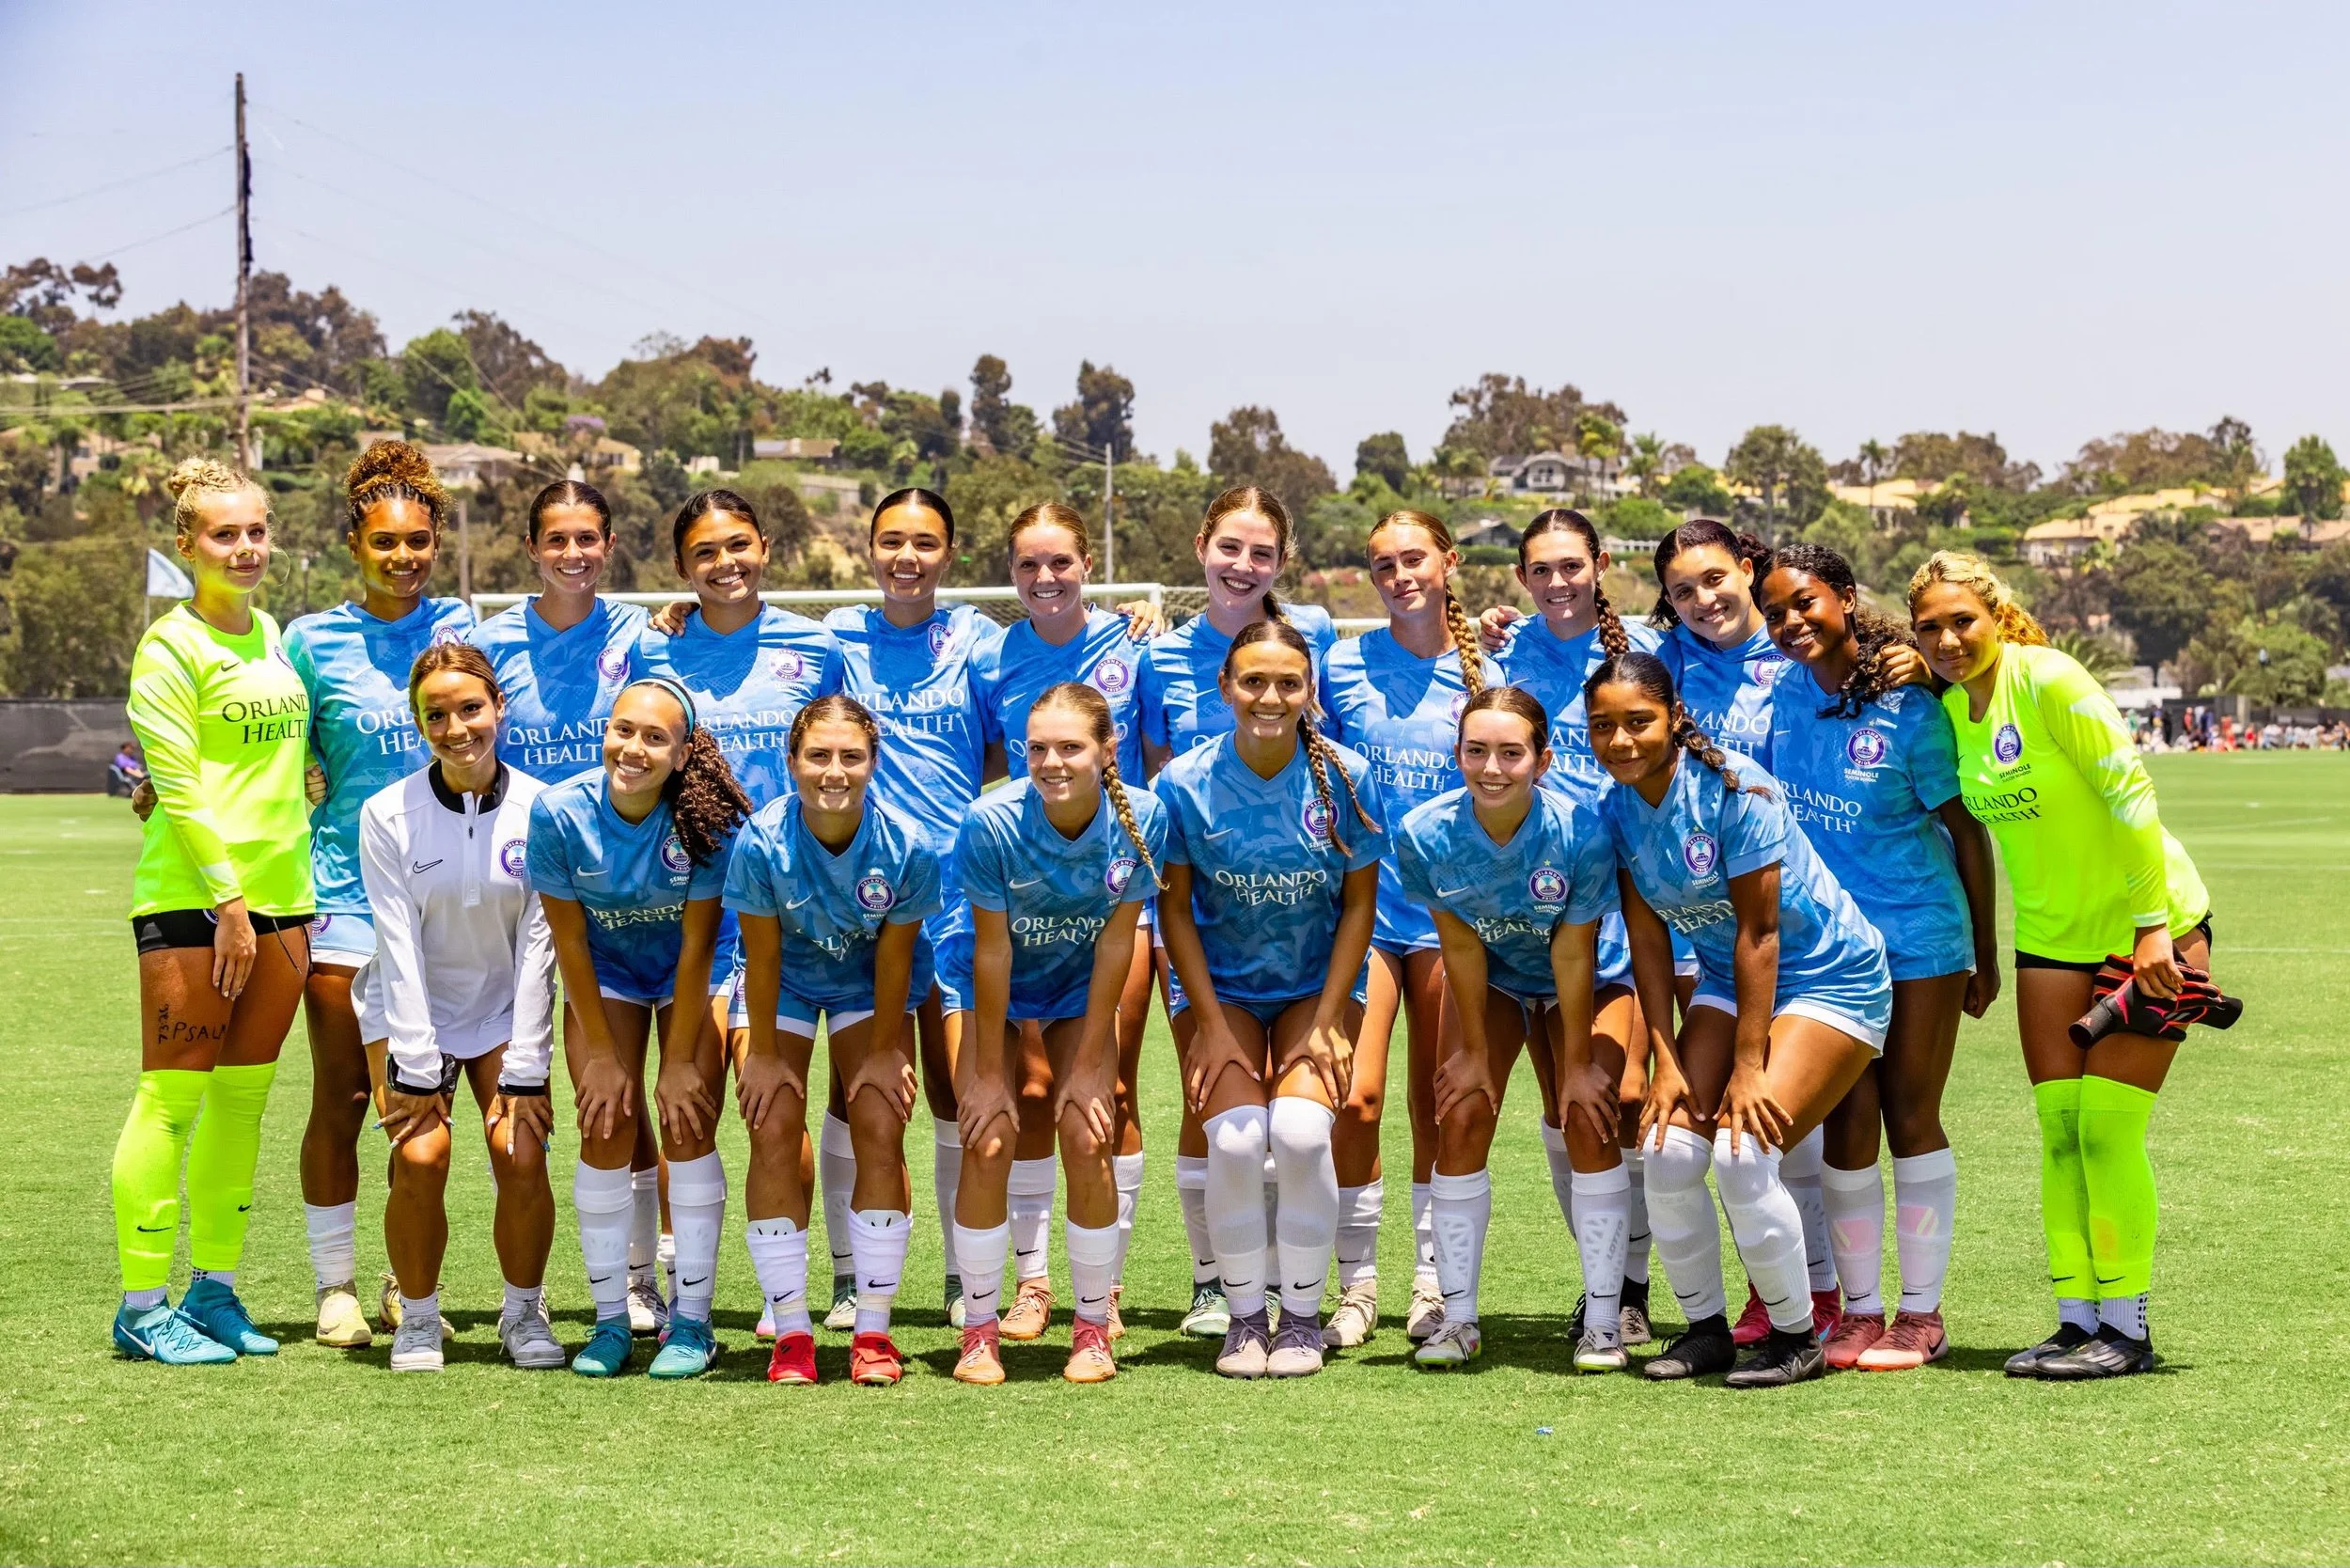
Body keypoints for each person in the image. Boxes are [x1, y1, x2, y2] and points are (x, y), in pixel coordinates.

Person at [1909, 552, 2213, 1379]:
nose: (1946, 639)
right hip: (2049, 938)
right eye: (1929, 626)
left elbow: (2132, 795)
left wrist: (2155, 931)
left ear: (1996, 615)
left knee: (2109, 1133)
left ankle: (2130, 1329)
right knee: (2058, 1133)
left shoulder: (2048, 678)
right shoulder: (1949, 708)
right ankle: (2077, 1323)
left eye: (1961, 621)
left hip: (2146, 931)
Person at [1588, 651, 1891, 1388]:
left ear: (1674, 717)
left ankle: (1797, 1337)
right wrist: (1664, 1058)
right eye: (1603, 727)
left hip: (1829, 978)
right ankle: (1706, 1332)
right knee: (1664, 1150)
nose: (1622, 741)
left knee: (1741, 1152)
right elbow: (1651, 944)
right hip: (1727, 978)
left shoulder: (1736, 789)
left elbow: (1763, 935)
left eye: (1639, 722)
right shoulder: (1617, 806)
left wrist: (1748, 1065)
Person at [1760, 544, 2000, 1371]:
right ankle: (1861, 1313)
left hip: (1921, 941)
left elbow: (1968, 834)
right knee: (1845, 1127)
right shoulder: (1777, 701)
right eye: (1777, 611)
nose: (1792, 622)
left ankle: (1922, 1315)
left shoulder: (1910, 704)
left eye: (1806, 603)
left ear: (1845, 599)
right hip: (1828, 954)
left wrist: (1984, 954)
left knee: (1909, 1117)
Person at [112, 458, 313, 1364]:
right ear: (188, 545)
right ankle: (141, 1304)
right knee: (171, 1103)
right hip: (199, 901)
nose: (245, 548)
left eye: (257, 530)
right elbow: (179, 787)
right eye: (225, 534)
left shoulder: (271, 632)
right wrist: (228, 899)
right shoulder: (169, 646)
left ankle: (213, 1292)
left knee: (242, 1107)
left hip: (286, 901)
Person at [1155, 619, 1386, 1379]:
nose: (1271, 696)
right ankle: (1243, 1316)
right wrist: (1211, 1026)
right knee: (1234, 1139)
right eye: (1253, 680)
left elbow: (1359, 906)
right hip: (1216, 990)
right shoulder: (1183, 783)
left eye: (1289, 682)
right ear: (1225, 688)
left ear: (1309, 691)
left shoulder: (1347, 775)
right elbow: (1175, 912)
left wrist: (1327, 1019)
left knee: (1299, 1132)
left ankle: (1300, 1316)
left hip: (1315, 988)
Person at [285, 440, 476, 1348]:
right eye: (384, 542)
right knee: (345, 1100)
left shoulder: (463, 629)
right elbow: (277, 756)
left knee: (426, 1105)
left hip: (451, 907)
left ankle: (411, 1285)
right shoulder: (310, 639)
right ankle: (335, 1288)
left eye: (418, 541)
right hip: (346, 902)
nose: (404, 557)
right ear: (353, 545)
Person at [469, 478, 668, 1333]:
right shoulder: (487, 641)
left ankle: (641, 1273)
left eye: (589, 538)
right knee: (503, 1084)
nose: (574, 554)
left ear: (611, 543)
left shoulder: (643, 632)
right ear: (532, 547)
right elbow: (454, 728)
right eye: (558, 539)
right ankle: (474, 1285)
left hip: (617, 889)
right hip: (511, 885)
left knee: (611, 1096)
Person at [1138, 485, 1337, 1341]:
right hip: (1203, 923)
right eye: (1230, 548)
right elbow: (1150, 783)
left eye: (1261, 552)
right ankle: (1216, 1285)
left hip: (1306, 928)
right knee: (1212, 1114)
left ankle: (1316, 1299)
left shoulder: (1319, 636)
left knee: (1305, 1124)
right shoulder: (1156, 656)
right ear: (1200, 546)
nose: (1243, 566)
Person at [1393, 687, 1632, 1371]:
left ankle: (1605, 1324)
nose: (1491, 768)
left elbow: (1573, 950)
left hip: (1587, 976)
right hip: (1496, 977)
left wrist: (1580, 1061)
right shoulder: (1425, 833)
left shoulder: (1579, 832)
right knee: (1461, 1113)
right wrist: (1472, 1052)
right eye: (1475, 751)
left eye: (1510, 753)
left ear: (1543, 759)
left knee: (1586, 1115)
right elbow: (1462, 946)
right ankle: (1457, 1319)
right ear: (1457, 753)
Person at [966, 502, 1153, 1342]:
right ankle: (1032, 1285)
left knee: (1105, 1094)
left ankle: (1101, 1290)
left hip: (1107, 894)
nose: (1046, 579)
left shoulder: (1135, 640)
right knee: (1025, 1094)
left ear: (1087, 564)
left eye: (1061, 563)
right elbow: (1000, 764)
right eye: (1028, 565)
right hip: (1017, 892)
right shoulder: (987, 652)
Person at [525, 677, 748, 1379]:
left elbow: (696, 947)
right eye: (624, 730)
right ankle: (611, 1322)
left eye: (655, 738)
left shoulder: (706, 821)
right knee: (603, 1123)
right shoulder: (559, 814)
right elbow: (568, 943)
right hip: (607, 977)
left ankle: (694, 1324)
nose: (634, 748)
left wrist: (679, 1059)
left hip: (691, 974)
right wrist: (598, 1055)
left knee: (685, 1121)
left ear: (684, 754)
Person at [950, 682, 1168, 1385]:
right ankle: (979, 1331)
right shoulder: (990, 822)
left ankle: (1092, 1326)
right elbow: (992, 952)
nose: (1051, 762)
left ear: (1108, 750)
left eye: (1070, 747)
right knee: (986, 1134)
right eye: (1036, 748)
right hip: (987, 982)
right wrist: (986, 1070)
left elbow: (1115, 945)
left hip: (1078, 984)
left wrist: (1092, 1061)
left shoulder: (1144, 816)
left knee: (1086, 1126)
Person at [821, 489, 1000, 1335]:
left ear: (950, 554)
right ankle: (852, 1275)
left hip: (959, 895)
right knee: (855, 1089)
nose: (907, 557)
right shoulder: (835, 643)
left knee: (957, 1089)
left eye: (925, 543)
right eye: (892, 541)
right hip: (861, 898)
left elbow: (1007, 734)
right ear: (868, 549)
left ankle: (969, 1277)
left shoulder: (978, 640)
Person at [1487, 508, 1666, 1346]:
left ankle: (1631, 1286)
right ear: (1523, 578)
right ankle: (1611, 1288)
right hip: (1526, 900)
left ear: (1600, 564)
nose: (1557, 583)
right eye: (1540, 570)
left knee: (1627, 1095)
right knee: (1570, 1108)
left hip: (1634, 891)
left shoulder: (1647, 653)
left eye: (1571, 566)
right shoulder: (1502, 652)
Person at [726, 696, 942, 1386]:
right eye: (818, 755)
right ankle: (791, 1333)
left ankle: (872, 1331)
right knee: (773, 1124)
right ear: (792, 762)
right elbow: (759, 958)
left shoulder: (906, 844)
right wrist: (760, 1054)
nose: (834, 771)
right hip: (781, 984)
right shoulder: (761, 840)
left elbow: (894, 959)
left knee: (879, 1118)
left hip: (865, 987)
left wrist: (882, 1052)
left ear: (873, 763)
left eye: (851, 756)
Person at [355, 646, 558, 1372]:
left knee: (519, 1149)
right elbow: (396, 944)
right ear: (418, 724)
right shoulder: (387, 814)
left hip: (505, 1009)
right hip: (415, 1012)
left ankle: (522, 1312)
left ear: (498, 707)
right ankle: (417, 1316)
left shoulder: (543, 809)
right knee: (420, 1155)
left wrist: (529, 1068)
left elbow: (540, 947)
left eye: (469, 708)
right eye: (435, 715)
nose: (456, 727)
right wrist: (413, 1064)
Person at [1316, 510, 1486, 1346]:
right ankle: (1358, 1284)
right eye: (1383, 565)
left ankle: (1432, 1280)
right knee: (1358, 1095)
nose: (1399, 577)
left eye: (1413, 559)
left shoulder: (1493, 660)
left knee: (1440, 1102)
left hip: (1458, 913)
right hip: (1370, 912)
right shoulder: (1342, 663)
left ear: (1448, 562)